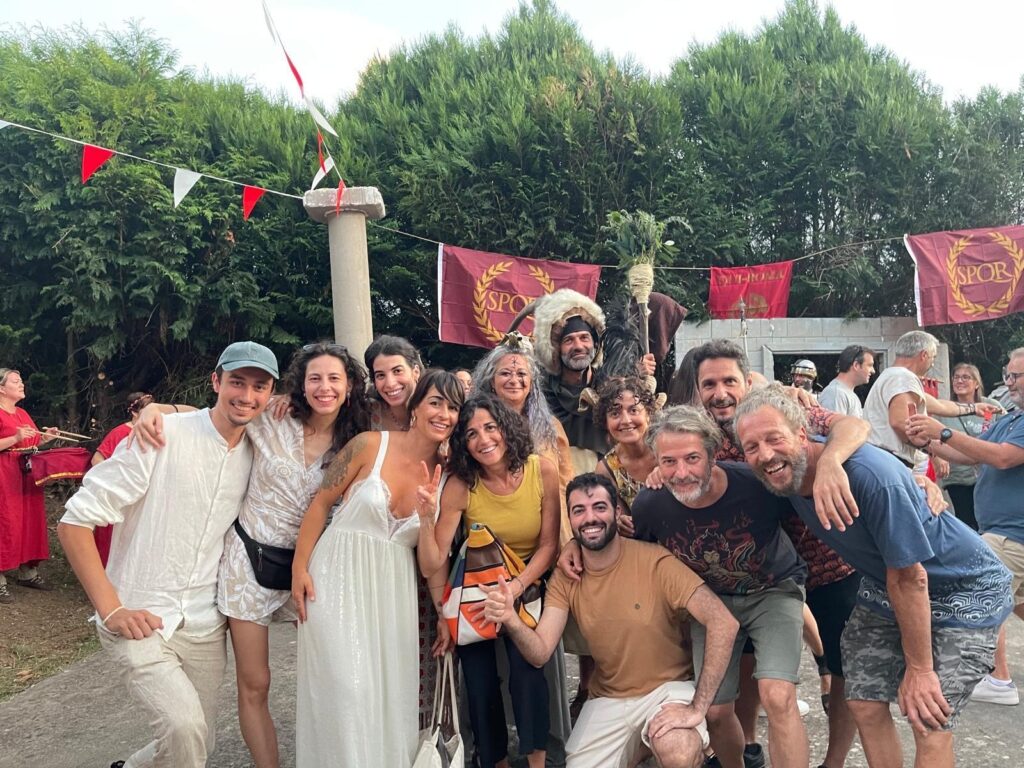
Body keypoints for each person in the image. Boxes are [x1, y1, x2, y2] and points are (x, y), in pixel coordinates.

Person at [735, 384, 1014, 768]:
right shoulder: (786, 475)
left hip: (964, 583)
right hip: (887, 581)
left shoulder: (866, 476)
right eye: (752, 446)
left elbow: (911, 579)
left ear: (802, 434)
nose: (765, 454)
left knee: (928, 715)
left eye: (774, 438)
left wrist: (920, 669)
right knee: (864, 701)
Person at [131, 343, 373, 768]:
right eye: (315, 378)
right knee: (256, 683)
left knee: (337, 674)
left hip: (311, 568)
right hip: (248, 563)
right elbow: (210, 415)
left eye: (335, 378)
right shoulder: (273, 419)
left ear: (350, 386)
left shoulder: (357, 440)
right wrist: (158, 409)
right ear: (300, 384)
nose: (325, 387)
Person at [57, 341, 279, 768]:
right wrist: (111, 608)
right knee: (184, 729)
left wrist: (160, 405)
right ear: (215, 382)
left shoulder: (258, 448)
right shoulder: (161, 436)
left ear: (270, 395)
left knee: (197, 741)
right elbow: (74, 522)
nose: (247, 395)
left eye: (259, 387)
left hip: (204, 623)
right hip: (140, 615)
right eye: (237, 382)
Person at [479, 473, 739, 768]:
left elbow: (723, 622)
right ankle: (642, 751)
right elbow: (539, 653)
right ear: (570, 519)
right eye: (579, 510)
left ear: (617, 512)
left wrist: (699, 707)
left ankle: (684, 749)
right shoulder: (567, 577)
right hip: (609, 699)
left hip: (667, 690)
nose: (590, 518)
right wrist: (511, 619)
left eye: (599, 507)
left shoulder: (655, 561)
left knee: (678, 749)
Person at [689, 339, 867, 768]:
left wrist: (830, 462)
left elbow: (852, 427)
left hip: (829, 560)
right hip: (762, 576)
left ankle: (833, 762)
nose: (720, 393)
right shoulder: (703, 435)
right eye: (709, 384)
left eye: (729, 381)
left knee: (844, 670)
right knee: (752, 665)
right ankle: (750, 746)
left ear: (746, 381)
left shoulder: (778, 411)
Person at [291, 369, 463, 768]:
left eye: (454, 407)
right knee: (345, 691)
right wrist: (299, 569)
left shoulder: (450, 480)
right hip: (334, 578)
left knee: (385, 699)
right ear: (415, 407)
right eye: (436, 402)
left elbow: (431, 563)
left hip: (392, 594)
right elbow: (320, 503)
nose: (444, 414)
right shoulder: (370, 444)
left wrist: (427, 519)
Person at [419, 393, 560, 768]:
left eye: (490, 427)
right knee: (479, 681)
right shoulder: (462, 485)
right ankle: (494, 760)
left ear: (506, 428)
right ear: (463, 444)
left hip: (525, 582)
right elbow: (433, 560)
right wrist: (426, 519)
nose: (483, 439)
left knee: (528, 671)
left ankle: (537, 762)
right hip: (476, 589)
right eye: (471, 434)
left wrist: (515, 588)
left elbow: (549, 545)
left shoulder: (541, 470)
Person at [906, 348, 1024, 708]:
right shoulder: (1010, 418)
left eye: (1017, 376)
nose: (1010, 383)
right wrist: (929, 441)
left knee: (980, 591)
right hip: (1003, 530)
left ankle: (998, 680)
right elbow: (973, 454)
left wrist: (942, 431)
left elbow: (1002, 457)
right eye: (1007, 376)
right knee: (1016, 602)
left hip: (1011, 533)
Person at [862, 330, 999, 474]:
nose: (932, 364)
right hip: (890, 463)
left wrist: (974, 408)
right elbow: (900, 422)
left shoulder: (892, 377)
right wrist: (930, 446)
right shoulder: (903, 378)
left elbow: (939, 405)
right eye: (933, 357)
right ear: (924, 355)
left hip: (885, 462)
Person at [0, 367, 60, 603]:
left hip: (26, 472)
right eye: (16, 381)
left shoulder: (22, 413)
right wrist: (15, 438)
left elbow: (31, 441)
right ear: (1, 388)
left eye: (21, 380)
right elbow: (15, 441)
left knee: (29, 521)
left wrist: (45, 438)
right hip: (4, 474)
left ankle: (27, 572)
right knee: (6, 522)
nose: (21, 384)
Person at [932, 363, 1001, 531]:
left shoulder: (989, 406)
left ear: (976, 383)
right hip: (958, 476)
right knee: (966, 522)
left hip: (988, 475)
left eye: (966, 377)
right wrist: (938, 457)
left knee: (988, 520)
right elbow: (930, 437)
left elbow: (1006, 429)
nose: (959, 381)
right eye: (956, 377)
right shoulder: (945, 409)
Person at [90, 391, 154, 567]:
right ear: (134, 412)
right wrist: (115, 482)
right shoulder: (120, 432)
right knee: (111, 539)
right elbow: (97, 460)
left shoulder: (153, 432)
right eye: (147, 410)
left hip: (141, 495)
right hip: (120, 495)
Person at [592, 376, 658, 535]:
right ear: (605, 422)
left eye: (633, 410)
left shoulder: (669, 450)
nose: (626, 420)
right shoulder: (607, 468)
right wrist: (620, 521)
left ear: (648, 414)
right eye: (615, 413)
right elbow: (617, 514)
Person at [364, 334, 422, 431]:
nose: (390, 384)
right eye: (381, 375)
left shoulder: (438, 411)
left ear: (416, 372)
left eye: (397, 371)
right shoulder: (365, 415)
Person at [818, 346, 875, 418]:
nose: (873, 371)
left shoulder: (845, 393)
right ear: (856, 365)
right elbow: (836, 425)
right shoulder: (836, 394)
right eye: (870, 365)